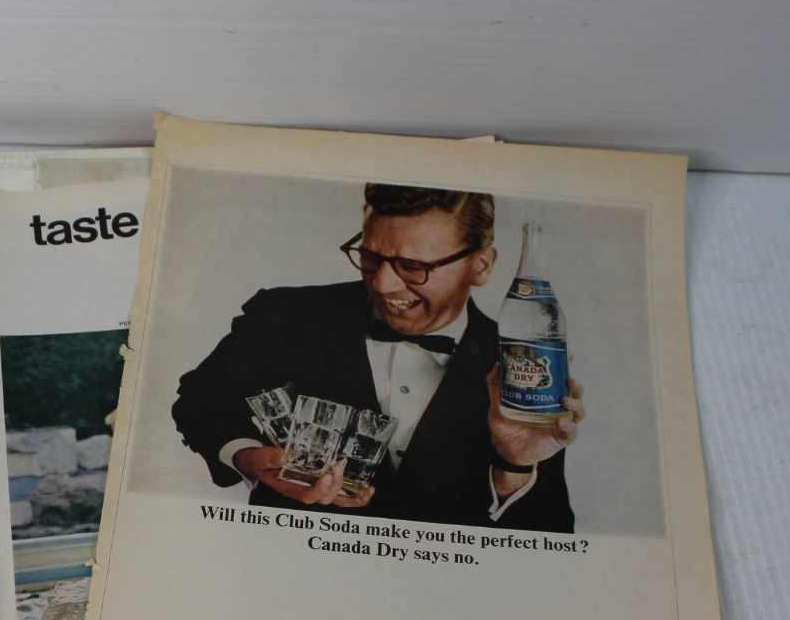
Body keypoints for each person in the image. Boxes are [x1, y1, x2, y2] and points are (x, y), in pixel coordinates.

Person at [172, 183, 584, 532]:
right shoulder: (283, 314)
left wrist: (514, 466)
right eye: (370, 258)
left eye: (412, 266)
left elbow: (548, 540)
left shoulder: (527, 367)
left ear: (481, 265)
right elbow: (200, 399)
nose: (384, 284)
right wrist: (247, 456)